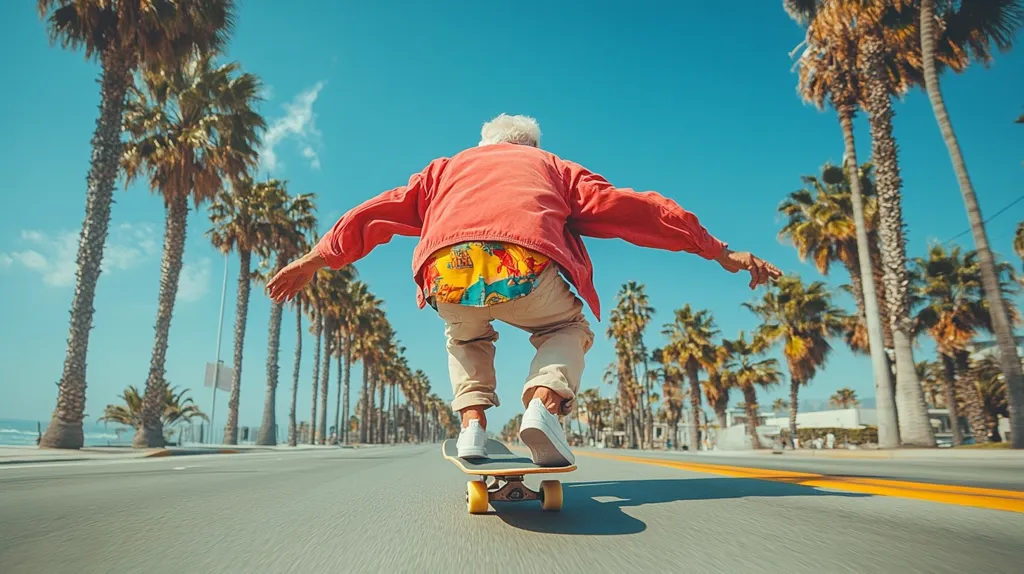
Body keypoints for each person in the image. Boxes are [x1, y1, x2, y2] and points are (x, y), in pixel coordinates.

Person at [266, 114, 781, 466]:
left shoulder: (444, 169)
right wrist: (716, 250)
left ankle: (473, 425)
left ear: (486, 144)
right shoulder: (552, 166)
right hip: (524, 263)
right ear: (528, 147)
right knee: (567, 325)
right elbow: (635, 209)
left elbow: (376, 211)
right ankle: (543, 405)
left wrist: (316, 259)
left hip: (448, 270)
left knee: (465, 337)